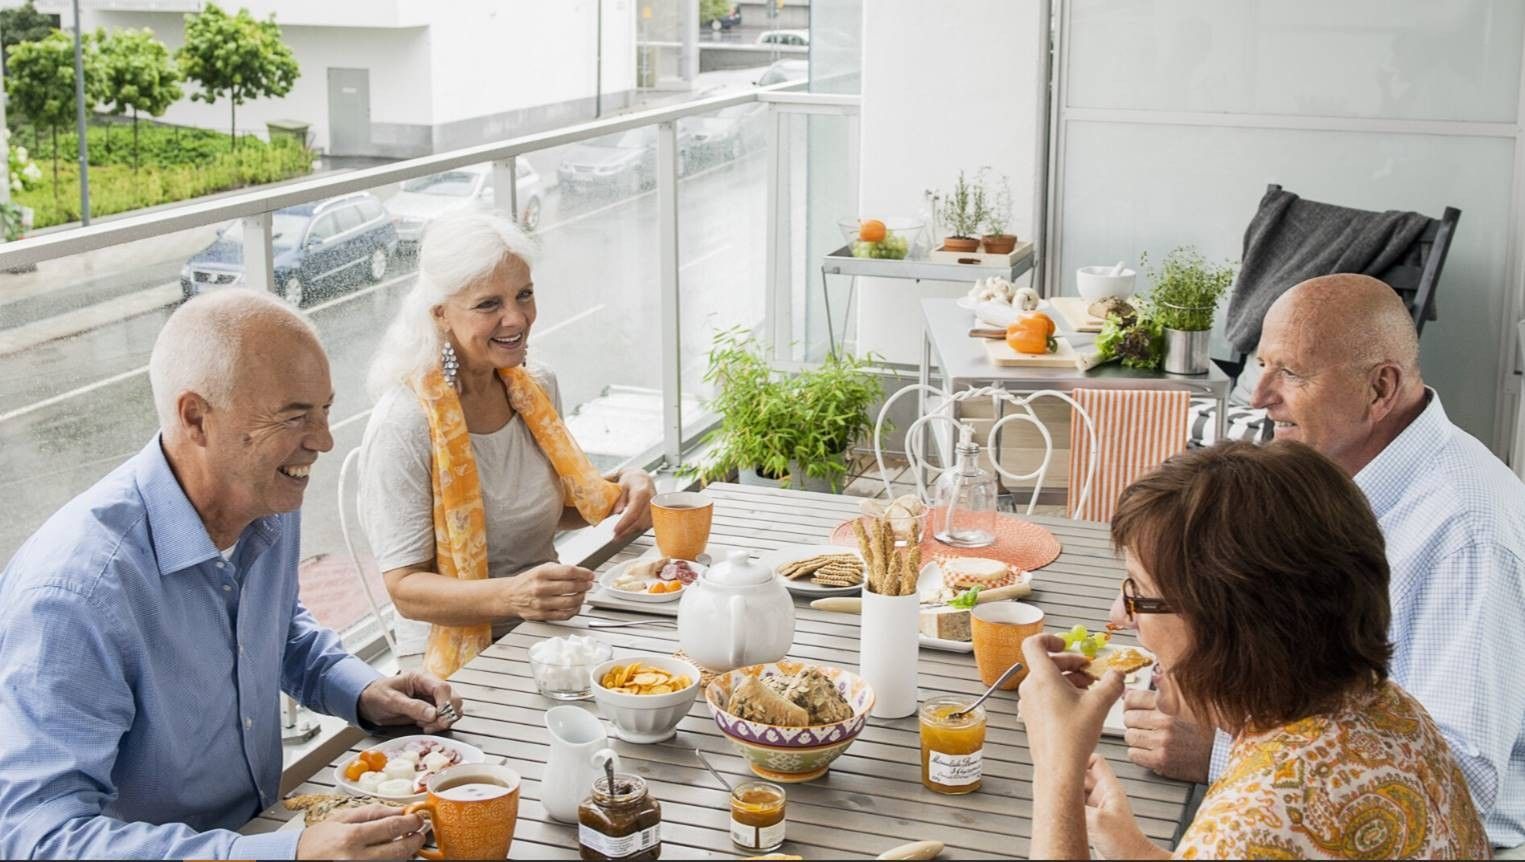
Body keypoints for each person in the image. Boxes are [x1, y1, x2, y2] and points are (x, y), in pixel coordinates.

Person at [0, 289, 463, 860]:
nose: (323, 439)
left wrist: (361, 690)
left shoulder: (263, 497)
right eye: (295, 416)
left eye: (324, 408)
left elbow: (273, 627)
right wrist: (285, 855)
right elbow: (38, 838)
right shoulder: (75, 595)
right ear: (196, 418)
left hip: (261, 830)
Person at [1115, 273, 1525, 854]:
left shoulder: (1467, 533)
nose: (1258, 395)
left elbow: (1462, 777)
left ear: (1380, 387)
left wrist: (1221, 749)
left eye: (1291, 373)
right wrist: (1165, 590)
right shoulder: (1336, 478)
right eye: (1261, 365)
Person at [1022, 441, 1490, 860]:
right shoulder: (1389, 710)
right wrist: (1137, 852)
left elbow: (1260, 836)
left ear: (1227, 624)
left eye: (1139, 594)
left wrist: (1057, 767)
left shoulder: (1259, 817)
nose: (1121, 617)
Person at [361, 210, 654, 677]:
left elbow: (550, 507)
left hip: (547, 629)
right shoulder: (406, 421)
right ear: (439, 314)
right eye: (488, 305)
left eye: (524, 295)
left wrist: (627, 487)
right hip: (450, 656)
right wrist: (512, 595)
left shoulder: (533, 385)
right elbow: (405, 589)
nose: (515, 318)